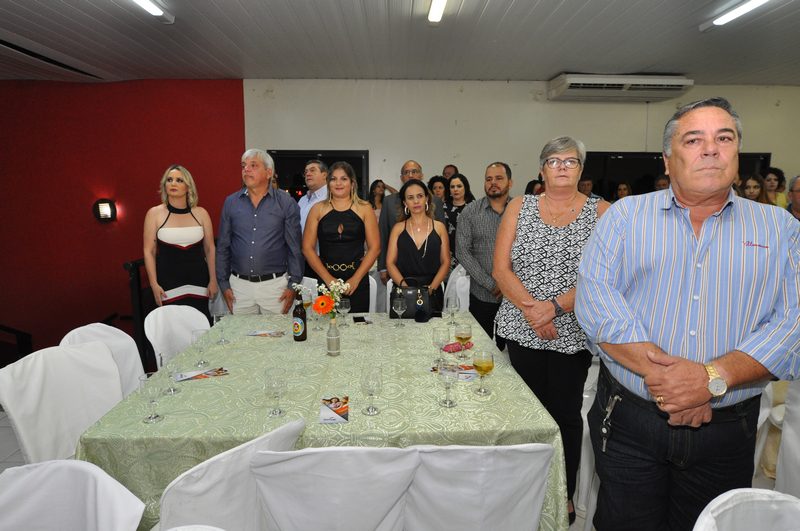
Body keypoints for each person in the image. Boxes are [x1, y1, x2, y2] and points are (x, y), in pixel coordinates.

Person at [575, 97, 800, 531]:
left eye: (724, 138)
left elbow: (793, 323)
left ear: (737, 152)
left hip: (727, 429)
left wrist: (711, 378)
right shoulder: (624, 217)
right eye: (694, 140)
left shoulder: (781, 230)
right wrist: (673, 383)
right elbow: (596, 301)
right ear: (667, 159)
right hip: (630, 421)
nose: (711, 149)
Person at [493, 137, 610, 525]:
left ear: (581, 169)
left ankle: (563, 493)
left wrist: (554, 308)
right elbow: (500, 270)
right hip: (522, 327)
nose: (562, 167)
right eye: (554, 161)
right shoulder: (519, 206)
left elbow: (602, 276)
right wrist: (534, 311)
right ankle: (525, 492)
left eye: (570, 161)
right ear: (542, 169)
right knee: (525, 415)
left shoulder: (602, 212)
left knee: (564, 415)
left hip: (571, 333)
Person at [216, 149, 303, 315]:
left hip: (275, 287)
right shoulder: (231, 202)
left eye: (253, 165)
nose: (246, 169)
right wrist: (223, 284)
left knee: (277, 332)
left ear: (269, 173)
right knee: (241, 332)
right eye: (243, 166)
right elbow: (223, 247)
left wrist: (293, 285)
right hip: (239, 288)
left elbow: (295, 249)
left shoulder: (286, 203)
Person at [143, 164, 218, 322]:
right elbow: (149, 251)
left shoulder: (201, 213)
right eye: (169, 180)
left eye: (179, 180)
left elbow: (210, 249)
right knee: (172, 327)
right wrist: (153, 284)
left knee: (201, 325)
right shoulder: (154, 214)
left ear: (188, 186)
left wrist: (213, 280)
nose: (173, 183)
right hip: (168, 282)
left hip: (199, 281)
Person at [302, 161, 379, 313]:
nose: (338, 183)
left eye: (344, 179)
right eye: (333, 179)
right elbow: (307, 248)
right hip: (325, 279)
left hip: (357, 279)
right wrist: (328, 279)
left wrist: (355, 279)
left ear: (352, 183)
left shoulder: (365, 208)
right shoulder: (317, 209)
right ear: (328, 183)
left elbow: (375, 248)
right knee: (327, 325)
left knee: (357, 325)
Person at [456, 162, 513, 350]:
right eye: (489, 179)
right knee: (481, 349)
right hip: (481, 295)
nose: (493, 183)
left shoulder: (521, 211)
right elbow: (462, 251)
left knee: (514, 353)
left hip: (515, 298)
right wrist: (491, 284)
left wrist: (508, 285)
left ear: (510, 182)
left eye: (499, 178)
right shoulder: (470, 212)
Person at [385, 179, 449, 314]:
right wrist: (407, 290)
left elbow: (445, 262)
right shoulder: (398, 229)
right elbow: (390, 263)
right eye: (410, 197)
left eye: (419, 196)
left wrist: (431, 289)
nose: (416, 201)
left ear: (427, 198)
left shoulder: (439, 228)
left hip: (432, 292)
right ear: (405, 203)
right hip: (403, 292)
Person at [378, 161, 445, 284]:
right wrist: (383, 267)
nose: (410, 175)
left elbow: (442, 240)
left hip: (431, 270)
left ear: (421, 175)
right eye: (406, 172)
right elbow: (383, 234)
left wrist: (435, 284)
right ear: (401, 177)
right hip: (399, 269)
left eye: (414, 171)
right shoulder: (389, 201)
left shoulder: (436, 201)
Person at [443, 173, 475, 263]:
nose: (455, 189)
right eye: (452, 187)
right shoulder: (443, 207)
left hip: (470, 254)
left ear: (465, 188)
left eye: (459, 186)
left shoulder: (474, 207)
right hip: (448, 253)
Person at [298, 160, 329, 234]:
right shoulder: (302, 200)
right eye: (306, 172)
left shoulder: (331, 198)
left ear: (324, 175)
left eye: (312, 170)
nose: (308, 174)